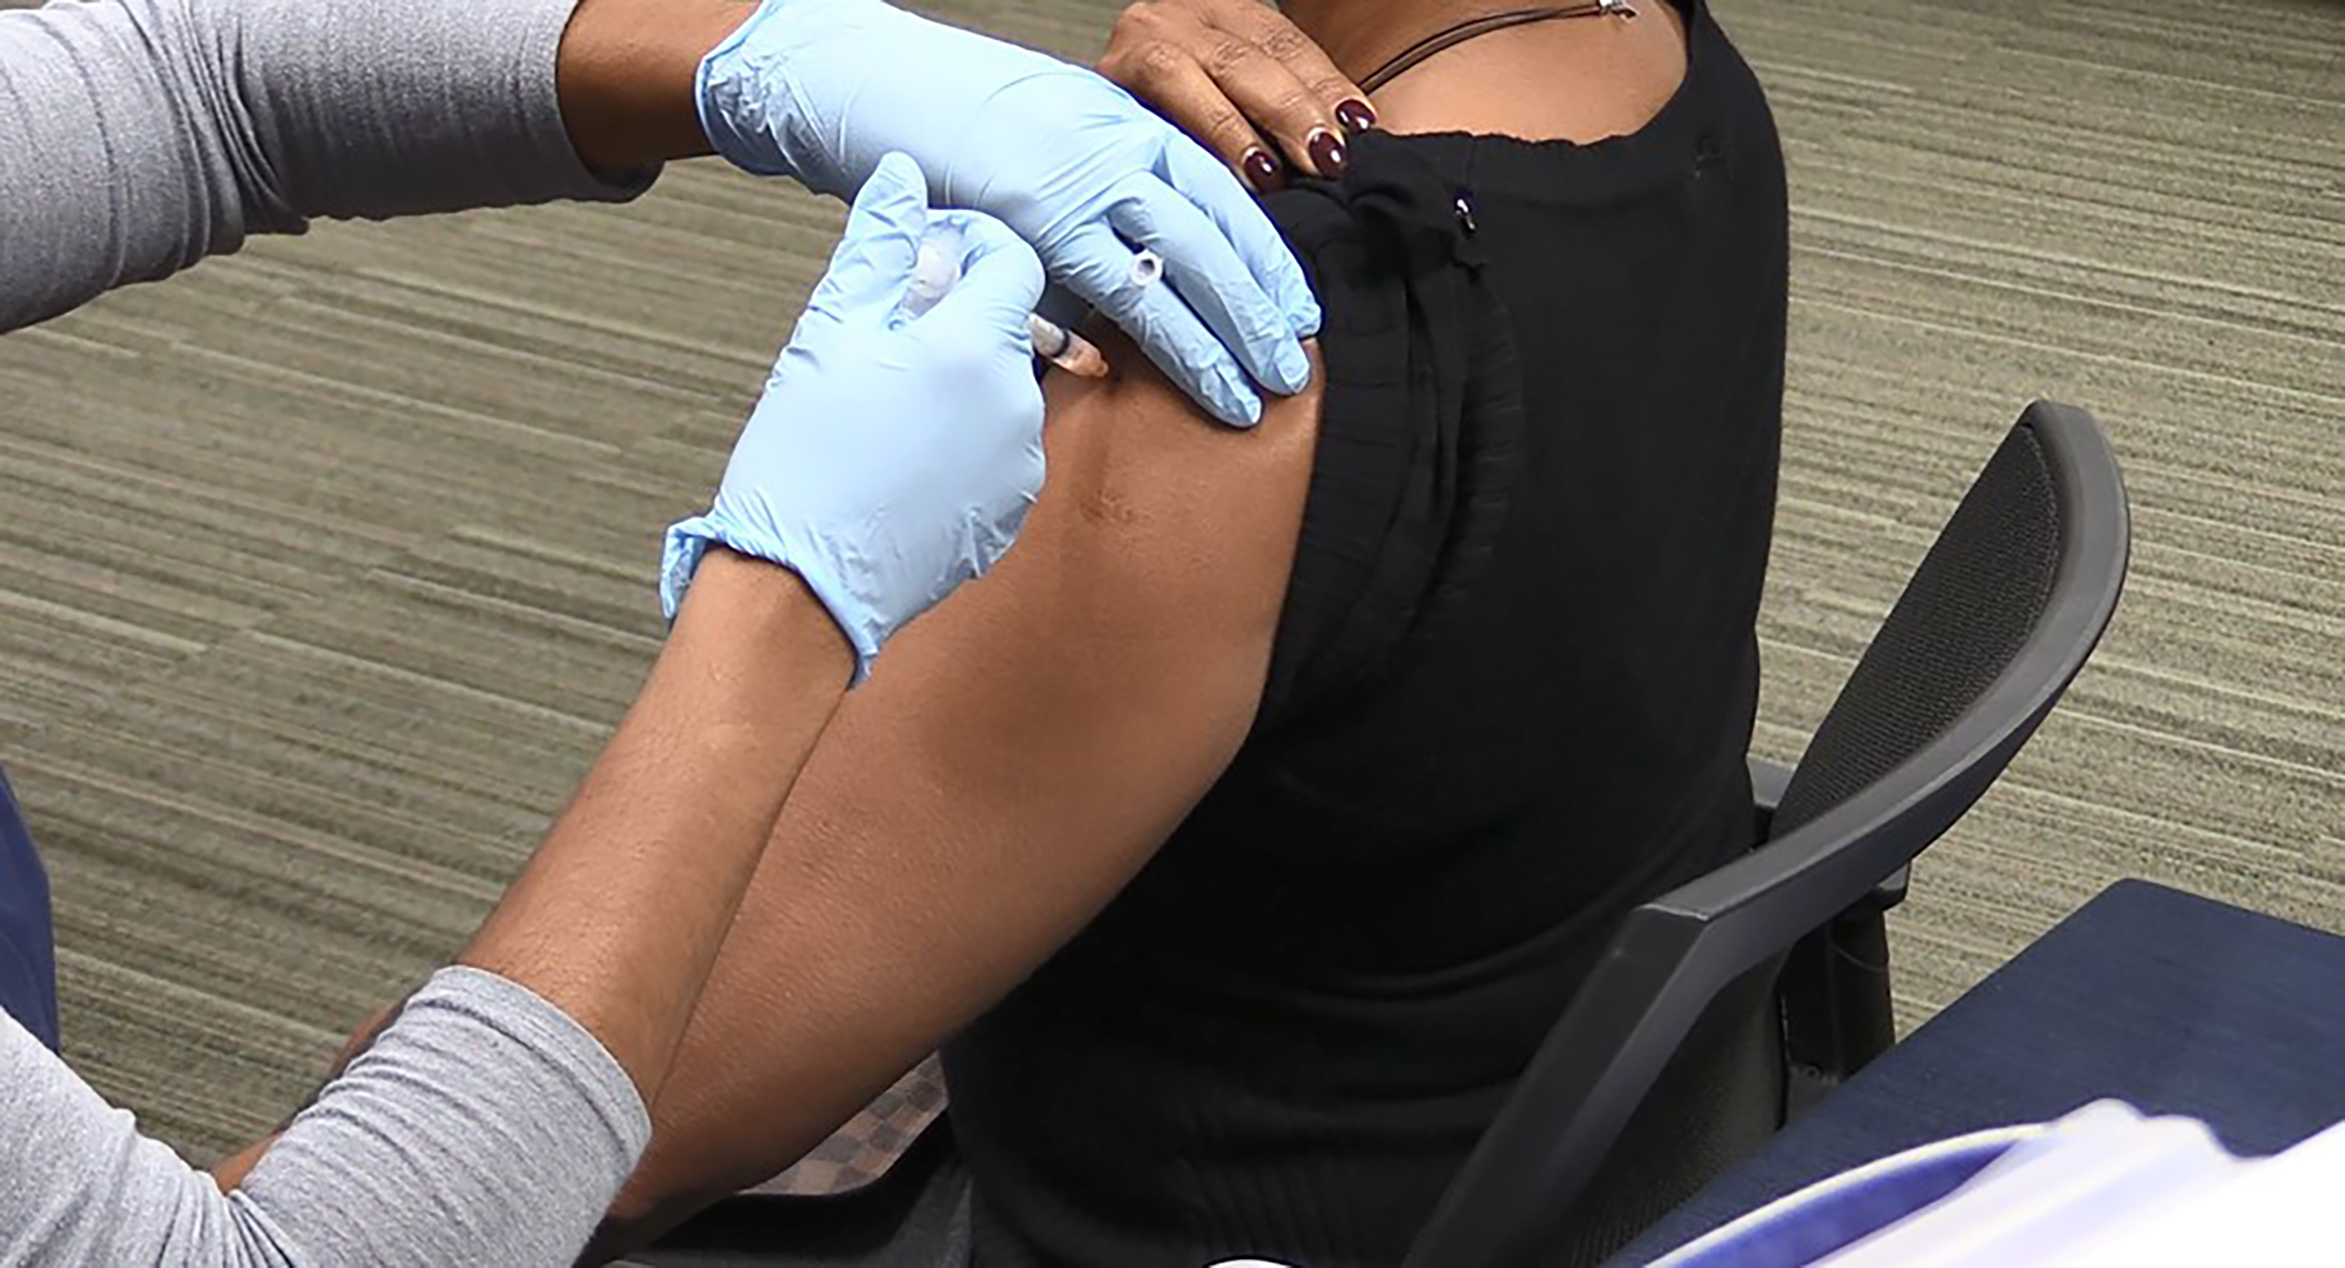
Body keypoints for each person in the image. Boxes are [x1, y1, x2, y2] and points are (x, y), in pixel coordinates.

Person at [580, 0, 1790, 1265]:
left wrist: (769, 594)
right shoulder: (1656, 61)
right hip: (1527, 1087)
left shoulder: (1237, 349)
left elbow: (587, 1133)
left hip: (1176, 1210)